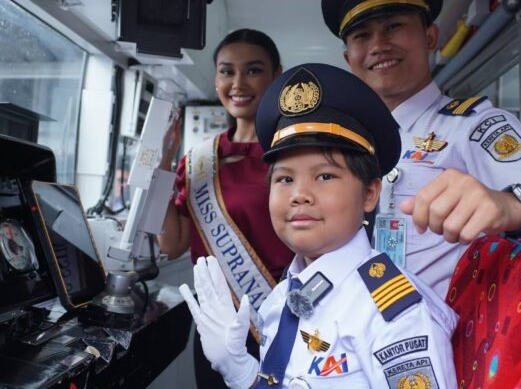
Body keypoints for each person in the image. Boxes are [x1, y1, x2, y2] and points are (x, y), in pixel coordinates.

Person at [320, 0, 521, 297]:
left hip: (442, 338)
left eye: (394, 26)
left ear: (430, 36)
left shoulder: (474, 126)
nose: (379, 45)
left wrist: (510, 208)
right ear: (348, 57)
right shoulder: (347, 142)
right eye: (362, 35)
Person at [179, 63, 457, 389]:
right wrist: (242, 372)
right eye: (284, 179)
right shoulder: (281, 299)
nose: (299, 195)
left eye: (325, 176)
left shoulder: (395, 316)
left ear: (370, 193)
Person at [157, 28, 294, 388]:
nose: (238, 83)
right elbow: (173, 244)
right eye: (226, 71)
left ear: (276, 76)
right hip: (217, 322)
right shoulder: (200, 160)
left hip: (283, 315)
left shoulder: (295, 153)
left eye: (252, 70)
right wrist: (161, 167)